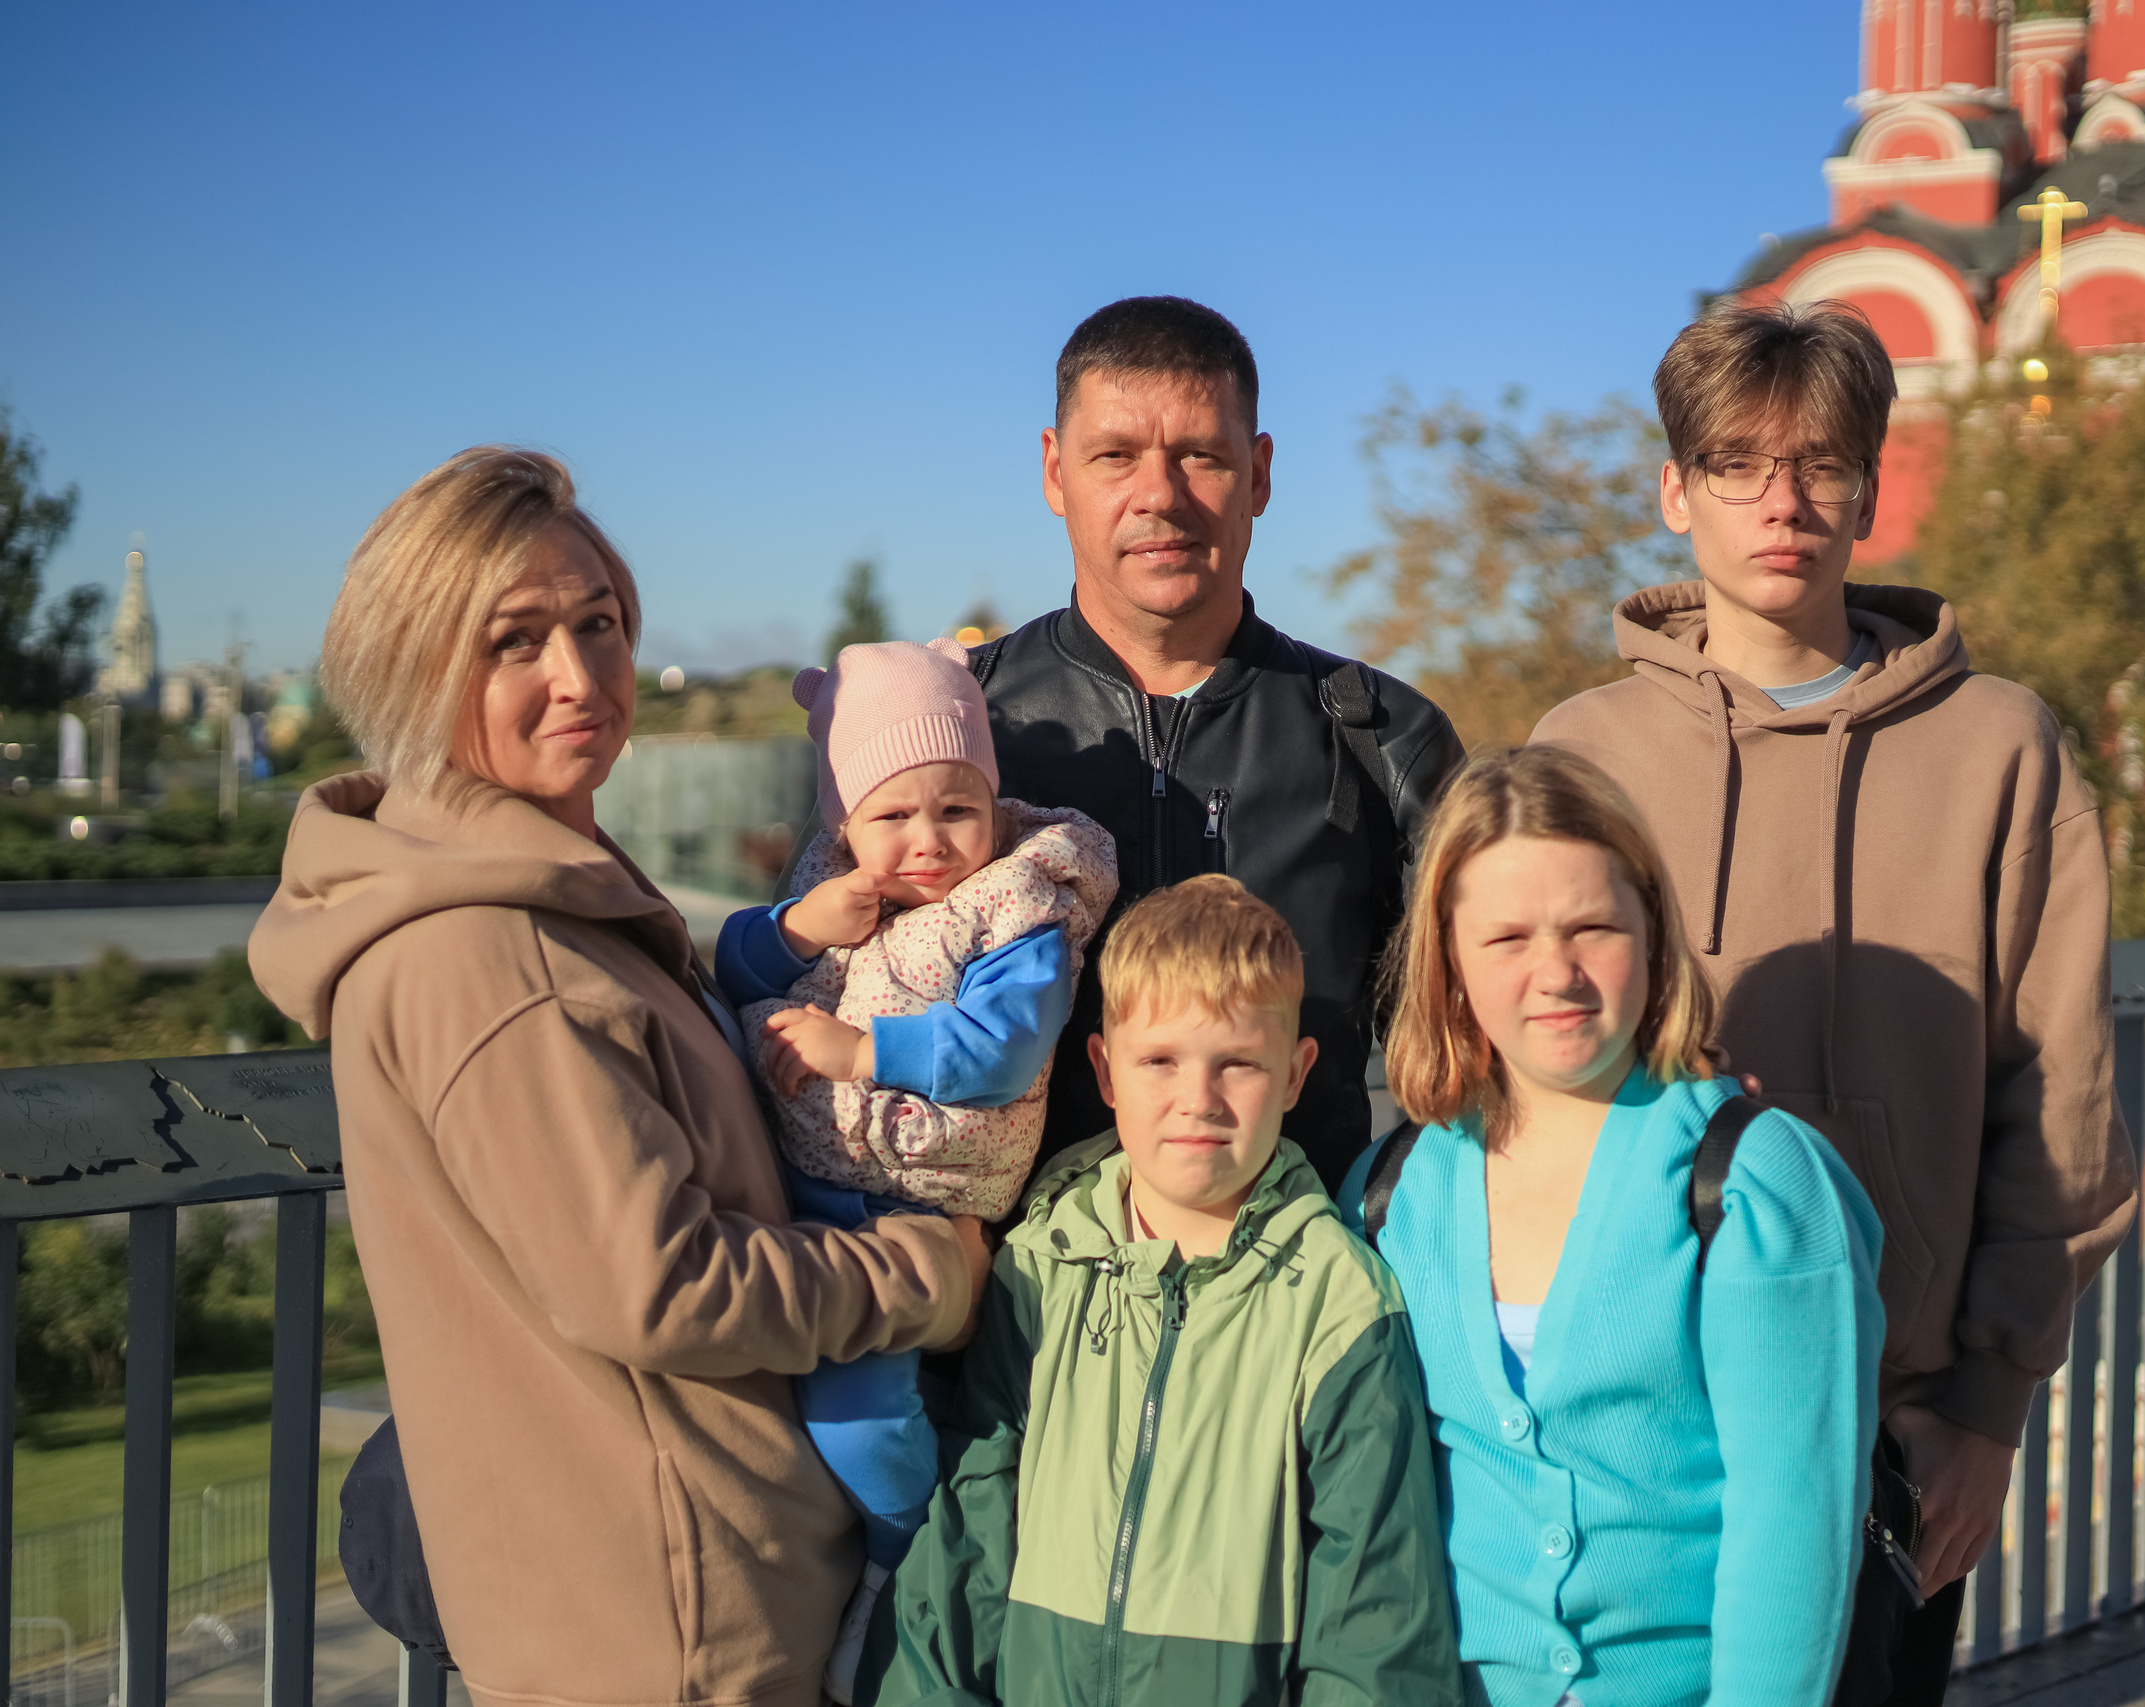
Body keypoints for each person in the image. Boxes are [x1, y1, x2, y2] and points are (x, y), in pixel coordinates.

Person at [248, 447, 992, 1707]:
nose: (580, 676)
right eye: (514, 642)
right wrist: (933, 1275)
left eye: (598, 624)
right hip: (678, 1626)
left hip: (659, 1595)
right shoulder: (493, 955)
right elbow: (665, 1286)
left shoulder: (544, 909)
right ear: (415, 667)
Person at [1531, 300, 2137, 1704]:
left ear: (1871, 485)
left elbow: (2060, 1092)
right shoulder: (1581, 751)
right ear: (1675, 490)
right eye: (1739, 461)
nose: (1783, 500)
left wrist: (1987, 1406)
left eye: (1822, 463)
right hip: (1628, 1415)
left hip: (1896, 1422)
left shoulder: (2001, 748)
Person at [1339, 744, 1884, 1707]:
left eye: (1592, 926)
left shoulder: (1753, 1183)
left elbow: (1793, 1523)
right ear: (1451, 962)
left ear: (1651, 934)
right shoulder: (1392, 1194)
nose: (1557, 972)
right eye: (1507, 939)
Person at [877, 875, 1464, 1707]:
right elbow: (969, 1538)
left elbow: (1376, 1617)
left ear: (1296, 1075)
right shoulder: (1045, 1262)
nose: (1199, 1100)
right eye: (1160, 1060)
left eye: (1238, 1064)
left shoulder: (1340, 1304)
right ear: (1105, 1070)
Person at [959, 295, 1464, 1189]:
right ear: (1053, 470)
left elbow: (1485, 1056)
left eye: (1202, 455)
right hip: (1012, 1311)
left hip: (1308, 1306)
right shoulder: (957, 733)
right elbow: (812, 1007)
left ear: (1260, 474)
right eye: (1115, 455)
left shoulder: (1388, 744)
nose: (1160, 494)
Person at [710, 637, 1114, 1692]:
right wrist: (796, 929)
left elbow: (1007, 1048)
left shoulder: (1018, 901)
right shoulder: (831, 885)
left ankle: (912, 1566)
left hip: (916, 1202)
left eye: (956, 808)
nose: (928, 842)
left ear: (993, 801)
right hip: (811, 1190)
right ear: (846, 821)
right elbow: (730, 961)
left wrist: (862, 1051)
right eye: (892, 816)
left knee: (861, 1419)